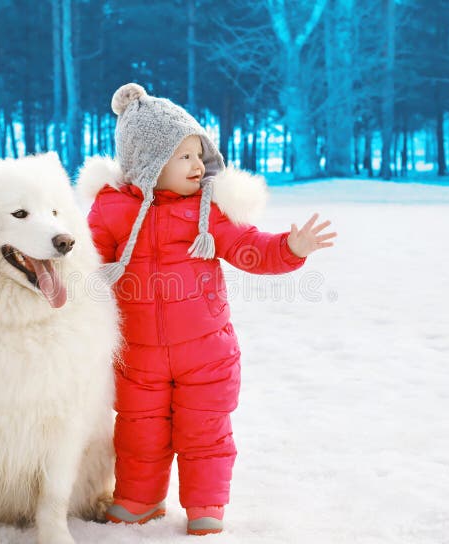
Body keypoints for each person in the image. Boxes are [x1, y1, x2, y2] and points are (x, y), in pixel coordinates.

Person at [79, 83, 336, 535]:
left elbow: (249, 248)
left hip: (207, 357)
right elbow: (87, 266)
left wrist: (289, 247)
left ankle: (205, 507)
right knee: (139, 433)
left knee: (206, 434)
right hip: (137, 356)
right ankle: (139, 500)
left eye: (200, 153)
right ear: (149, 162)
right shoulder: (111, 210)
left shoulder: (209, 211)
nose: (198, 165)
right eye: (184, 156)